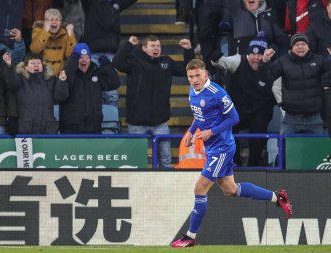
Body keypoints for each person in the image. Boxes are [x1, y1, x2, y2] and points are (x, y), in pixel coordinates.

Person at [171, 59, 292, 248]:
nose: (194, 80)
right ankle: (277, 197)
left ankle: (190, 237)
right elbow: (199, 116)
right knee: (230, 189)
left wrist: (211, 132)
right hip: (213, 147)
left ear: (205, 74)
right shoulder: (193, 91)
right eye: (190, 77)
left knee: (199, 189)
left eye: (197, 76)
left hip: (222, 148)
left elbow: (234, 118)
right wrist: (192, 132)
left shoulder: (217, 93)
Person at [113, 35, 195, 168]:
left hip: (160, 122)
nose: (156, 48)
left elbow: (188, 69)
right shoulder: (134, 62)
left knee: (166, 159)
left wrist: (189, 50)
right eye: (153, 45)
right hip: (137, 122)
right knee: (137, 161)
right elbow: (117, 63)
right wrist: (128, 45)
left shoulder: (166, 62)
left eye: (158, 45)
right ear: (144, 48)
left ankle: (165, 186)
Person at [258, 32, 331, 135]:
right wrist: (264, 61)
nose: (300, 47)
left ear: (308, 47)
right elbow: (266, 78)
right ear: (291, 48)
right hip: (291, 119)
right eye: (296, 44)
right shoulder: (283, 61)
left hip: (315, 119)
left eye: (303, 44)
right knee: (288, 149)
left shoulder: (319, 60)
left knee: (316, 150)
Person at [211, 31, 277, 166]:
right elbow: (222, 62)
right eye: (253, 54)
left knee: (259, 132)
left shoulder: (273, 67)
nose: (256, 58)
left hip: (260, 110)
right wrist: (216, 58)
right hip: (237, 109)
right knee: (227, 129)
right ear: (248, 54)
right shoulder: (238, 60)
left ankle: (253, 165)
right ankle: (235, 164)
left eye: (260, 54)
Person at [60, 43, 120, 134]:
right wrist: (73, 59)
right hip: (71, 127)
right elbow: (60, 95)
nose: (84, 60)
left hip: (93, 126)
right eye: (81, 57)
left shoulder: (96, 73)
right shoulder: (67, 74)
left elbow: (114, 83)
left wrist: (107, 66)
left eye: (87, 57)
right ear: (75, 59)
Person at [2, 52, 68, 134]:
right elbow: (11, 82)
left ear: (42, 65)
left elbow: (61, 97)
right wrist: (9, 66)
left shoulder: (51, 79)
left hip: (48, 128)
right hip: (26, 128)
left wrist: (62, 81)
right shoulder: (20, 79)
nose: (36, 65)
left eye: (38, 63)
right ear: (25, 67)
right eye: (32, 63)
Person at [30, 8, 77, 76]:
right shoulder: (38, 31)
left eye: (57, 20)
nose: (54, 22)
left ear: (61, 22)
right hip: (43, 74)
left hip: (60, 74)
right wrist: (45, 32)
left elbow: (70, 55)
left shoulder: (66, 33)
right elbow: (35, 50)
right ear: (45, 21)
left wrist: (70, 35)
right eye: (51, 19)